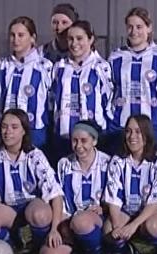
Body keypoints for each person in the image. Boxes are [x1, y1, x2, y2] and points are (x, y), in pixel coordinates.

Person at [108, 7, 157, 160]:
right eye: (130, 27)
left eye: (139, 27)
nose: (134, 31)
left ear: (149, 28)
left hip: (156, 127)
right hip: (121, 127)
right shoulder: (115, 57)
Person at [0, 109, 64, 252]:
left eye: (14, 127)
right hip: (8, 210)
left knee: (40, 214)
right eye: (4, 126)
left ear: (24, 131)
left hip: (31, 209)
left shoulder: (35, 156)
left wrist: (55, 229)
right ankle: (12, 242)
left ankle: (38, 245)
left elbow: (56, 194)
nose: (8, 132)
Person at [40, 120, 110, 254]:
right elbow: (59, 197)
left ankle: (97, 249)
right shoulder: (64, 164)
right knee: (47, 252)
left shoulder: (108, 163)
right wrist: (58, 227)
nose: (78, 146)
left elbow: (116, 197)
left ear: (94, 141)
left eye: (84, 141)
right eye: (74, 141)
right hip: (70, 221)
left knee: (81, 222)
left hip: (97, 221)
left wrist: (104, 207)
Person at [104, 114, 157, 253]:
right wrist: (117, 226)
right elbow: (113, 197)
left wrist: (133, 225)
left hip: (151, 212)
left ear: (147, 136)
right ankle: (128, 249)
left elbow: (155, 202)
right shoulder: (118, 161)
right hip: (127, 210)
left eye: (138, 131)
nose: (132, 136)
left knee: (154, 226)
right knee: (108, 231)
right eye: (128, 131)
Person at [52, 20, 114, 161]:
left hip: (94, 138)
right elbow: (52, 100)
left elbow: (110, 102)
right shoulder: (59, 67)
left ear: (91, 39)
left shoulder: (101, 67)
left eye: (79, 38)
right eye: (70, 39)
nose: (74, 43)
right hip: (64, 138)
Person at [0, 16, 53, 149]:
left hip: (35, 133)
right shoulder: (3, 66)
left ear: (32, 38)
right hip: (7, 132)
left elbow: (52, 102)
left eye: (21, 35)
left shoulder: (45, 67)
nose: (16, 40)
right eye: (12, 35)